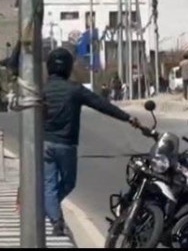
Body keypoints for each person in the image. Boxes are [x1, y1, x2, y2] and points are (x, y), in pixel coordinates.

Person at [41, 48, 140, 237]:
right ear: (69, 67)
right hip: (67, 145)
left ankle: (50, 208)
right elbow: (102, 105)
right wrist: (127, 118)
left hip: (45, 144)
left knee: (49, 186)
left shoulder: (42, 90)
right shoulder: (75, 90)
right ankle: (55, 219)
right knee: (68, 184)